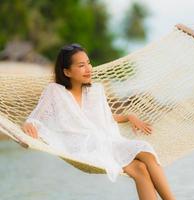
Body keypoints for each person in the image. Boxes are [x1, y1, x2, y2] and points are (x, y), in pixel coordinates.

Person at [21, 43, 176, 200]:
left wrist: (129, 116)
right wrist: (28, 125)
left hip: (106, 139)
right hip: (82, 146)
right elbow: (35, 117)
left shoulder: (95, 91)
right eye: (81, 65)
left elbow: (104, 118)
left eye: (88, 63)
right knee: (143, 160)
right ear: (67, 72)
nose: (88, 69)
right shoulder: (55, 92)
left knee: (142, 164)